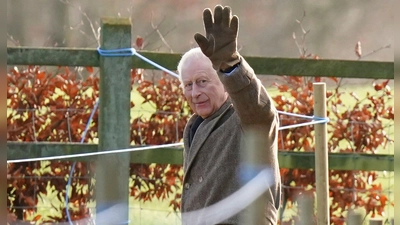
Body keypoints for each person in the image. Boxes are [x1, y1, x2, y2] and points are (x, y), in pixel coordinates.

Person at [177, 5, 281, 225]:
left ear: (224, 83)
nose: (195, 93)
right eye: (188, 85)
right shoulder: (195, 127)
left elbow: (259, 110)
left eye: (203, 82)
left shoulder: (244, 118)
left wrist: (230, 65)